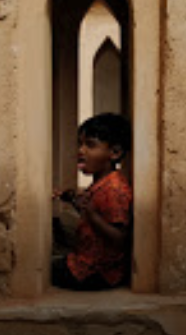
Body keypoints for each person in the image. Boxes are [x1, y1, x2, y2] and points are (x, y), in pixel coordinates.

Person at [51, 113, 133, 291]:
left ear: (115, 153)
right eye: (80, 144)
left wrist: (91, 214)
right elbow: (91, 215)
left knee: (39, 267)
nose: (81, 151)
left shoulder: (113, 189)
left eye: (90, 145)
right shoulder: (102, 184)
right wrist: (71, 199)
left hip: (96, 273)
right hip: (87, 264)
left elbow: (120, 239)